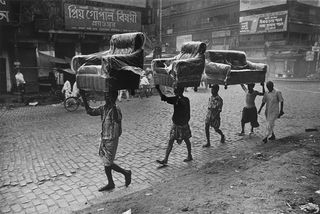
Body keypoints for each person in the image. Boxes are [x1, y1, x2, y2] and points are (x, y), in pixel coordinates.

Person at [80, 89, 131, 191]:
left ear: (113, 98)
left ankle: (124, 174)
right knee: (106, 162)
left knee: (108, 163)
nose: (106, 98)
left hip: (112, 139)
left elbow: (117, 119)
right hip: (104, 137)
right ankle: (114, 181)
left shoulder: (116, 109)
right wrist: (84, 98)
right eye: (106, 96)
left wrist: (113, 105)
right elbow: (90, 111)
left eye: (109, 96)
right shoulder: (103, 108)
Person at [155, 85, 193, 165]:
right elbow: (188, 113)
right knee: (184, 140)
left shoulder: (177, 100)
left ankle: (166, 159)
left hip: (178, 124)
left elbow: (163, 98)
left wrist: (158, 89)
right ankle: (188, 155)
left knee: (173, 141)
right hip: (182, 124)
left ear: (178, 92)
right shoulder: (185, 99)